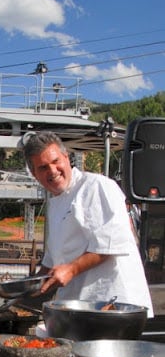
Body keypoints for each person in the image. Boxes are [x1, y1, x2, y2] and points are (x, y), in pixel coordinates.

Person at [23, 131, 153, 316]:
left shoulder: (96, 186)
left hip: (114, 307)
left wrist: (71, 269)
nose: (52, 171)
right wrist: (25, 289)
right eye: (43, 168)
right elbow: (52, 262)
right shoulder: (55, 203)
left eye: (55, 161)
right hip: (78, 309)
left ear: (67, 158)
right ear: (35, 175)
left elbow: (111, 244)